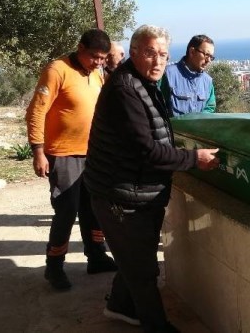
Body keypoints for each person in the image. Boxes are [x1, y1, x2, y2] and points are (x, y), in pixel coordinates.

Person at [83, 25, 219, 332]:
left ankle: (118, 306)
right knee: (143, 271)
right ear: (133, 53)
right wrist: (194, 159)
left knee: (134, 259)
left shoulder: (141, 82)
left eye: (162, 54)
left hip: (135, 192)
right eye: (149, 53)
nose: (157, 61)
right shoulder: (126, 89)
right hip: (122, 197)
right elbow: (148, 150)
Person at [26, 28, 117, 291]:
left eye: (103, 58)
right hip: (63, 154)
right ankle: (54, 266)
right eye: (94, 57)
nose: (98, 62)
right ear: (80, 48)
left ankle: (96, 256)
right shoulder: (57, 70)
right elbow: (36, 112)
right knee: (66, 211)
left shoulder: (97, 73)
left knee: (94, 207)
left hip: (94, 153)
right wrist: (38, 152)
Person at [161, 34, 216, 116]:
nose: (209, 60)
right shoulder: (168, 74)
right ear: (192, 52)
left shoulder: (207, 81)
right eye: (206, 55)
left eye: (211, 57)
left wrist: (198, 122)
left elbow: (210, 107)